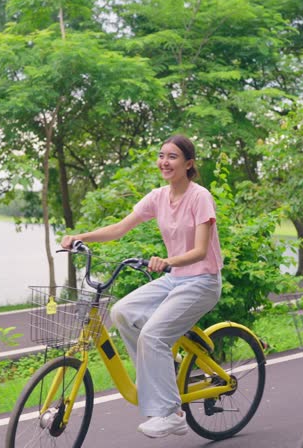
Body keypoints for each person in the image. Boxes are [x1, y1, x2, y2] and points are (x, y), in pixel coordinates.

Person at [60, 134, 223, 439]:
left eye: (173, 157)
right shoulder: (157, 197)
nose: (165, 162)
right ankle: (163, 369)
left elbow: (201, 251)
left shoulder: (200, 197)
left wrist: (168, 259)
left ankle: (172, 414)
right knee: (122, 312)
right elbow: (120, 228)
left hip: (201, 281)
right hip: (175, 278)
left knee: (152, 335)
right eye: (162, 156)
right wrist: (80, 237)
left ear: (188, 164)